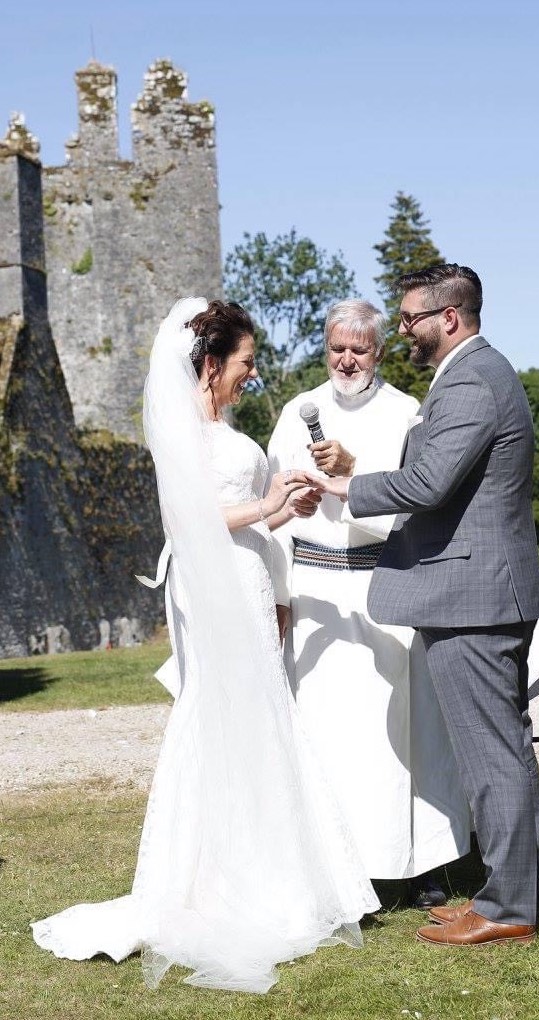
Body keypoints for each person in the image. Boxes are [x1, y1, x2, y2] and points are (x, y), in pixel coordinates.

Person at [31, 298, 379, 992]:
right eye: (246, 362)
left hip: (245, 572)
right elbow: (190, 519)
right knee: (219, 713)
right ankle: (214, 883)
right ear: (212, 363)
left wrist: (283, 509)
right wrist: (267, 501)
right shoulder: (182, 429)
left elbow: (240, 519)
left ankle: (272, 872)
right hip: (211, 584)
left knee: (258, 716)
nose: (253, 373)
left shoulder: (222, 425)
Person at [315, 265, 539, 948]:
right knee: (498, 750)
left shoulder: (473, 381)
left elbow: (429, 483)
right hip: (475, 592)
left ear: (448, 317)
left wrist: (346, 485)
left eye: (409, 319)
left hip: (473, 597)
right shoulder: (471, 375)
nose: (403, 331)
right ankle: (504, 891)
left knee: (492, 754)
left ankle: (508, 907)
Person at [267, 299, 470, 908]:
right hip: (315, 593)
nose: (347, 360)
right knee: (323, 733)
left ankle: (412, 862)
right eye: (337, 349)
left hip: (381, 582)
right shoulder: (296, 412)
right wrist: (294, 518)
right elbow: (273, 504)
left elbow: (421, 504)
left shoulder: (405, 412)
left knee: (396, 734)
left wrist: (356, 475)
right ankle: (329, 862)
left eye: (359, 349)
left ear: (378, 352)